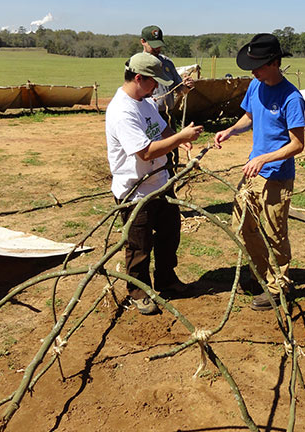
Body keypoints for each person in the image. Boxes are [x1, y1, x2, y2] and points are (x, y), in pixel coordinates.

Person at [106, 52, 203, 315]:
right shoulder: (122, 111)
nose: (156, 88)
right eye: (153, 82)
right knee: (138, 245)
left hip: (160, 181)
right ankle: (138, 290)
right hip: (135, 190)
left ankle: (166, 280)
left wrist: (179, 139)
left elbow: (161, 130)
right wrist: (180, 136)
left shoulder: (144, 101)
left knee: (169, 234)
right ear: (138, 78)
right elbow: (146, 152)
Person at [214, 34, 305, 311]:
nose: (253, 71)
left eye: (260, 65)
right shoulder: (256, 85)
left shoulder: (291, 97)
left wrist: (265, 158)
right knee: (243, 225)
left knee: (275, 231)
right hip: (253, 172)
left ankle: (279, 285)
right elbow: (250, 116)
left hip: (276, 175)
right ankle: (261, 273)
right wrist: (231, 129)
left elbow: (298, 144)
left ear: (275, 63)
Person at [141, 25, 195, 173]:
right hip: (148, 118)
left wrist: (187, 86)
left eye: (159, 45)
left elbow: (180, 90)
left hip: (167, 116)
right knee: (153, 155)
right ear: (143, 42)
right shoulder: (137, 64)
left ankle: (170, 184)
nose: (157, 49)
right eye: (153, 46)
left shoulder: (167, 63)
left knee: (171, 153)